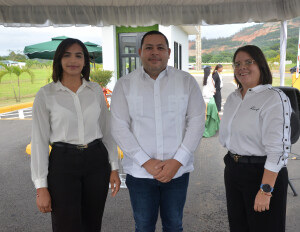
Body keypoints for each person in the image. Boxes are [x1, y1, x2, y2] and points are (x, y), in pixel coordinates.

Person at [110, 31, 206, 232]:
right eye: (149, 48)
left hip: (177, 172)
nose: (155, 53)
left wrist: (177, 161)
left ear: (169, 52)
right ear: (140, 52)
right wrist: (146, 162)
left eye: (160, 48)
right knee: (144, 226)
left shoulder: (186, 81)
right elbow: (119, 127)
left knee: (174, 225)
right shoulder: (124, 85)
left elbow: (196, 122)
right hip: (140, 173)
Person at [31, 38, 121, 232]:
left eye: (79, 55)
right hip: (63, 163)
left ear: (85, 61)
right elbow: (38, 141)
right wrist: (41, 187)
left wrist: (114, 167)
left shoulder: (95, 90)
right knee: (65, 224)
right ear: (59, 60)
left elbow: (107, 131)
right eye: (67, 55)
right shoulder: (46, 94)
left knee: (92, 222)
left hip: (96, 160)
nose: (73, 60)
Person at [219, 45, 291, 232]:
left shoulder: (273, 98)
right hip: (233, 168)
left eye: (248, 62)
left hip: (262, 172)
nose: (242, 67)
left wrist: (265, 190)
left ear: (261, 65)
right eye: (237, 64)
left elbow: (278, 150)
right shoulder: (233, 97)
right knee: (238, 226)